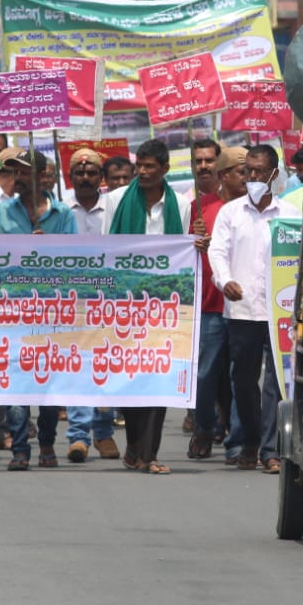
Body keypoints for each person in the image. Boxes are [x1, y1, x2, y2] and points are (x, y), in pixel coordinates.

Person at [0, 148, 77, 469]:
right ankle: (19, 448)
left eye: (22, 172)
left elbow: (76, 260)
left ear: (41, 176)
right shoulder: (1, 214)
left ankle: (46, 442)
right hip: (11, 311)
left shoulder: (63, 215)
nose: (16, 179)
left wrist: (49, 248)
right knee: (16, 383)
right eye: (13, 173)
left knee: (47, 386)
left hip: (50, 312)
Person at [208, 144, 301, 473]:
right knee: (243, 381)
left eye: (259, 171)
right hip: (242, 310)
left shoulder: (290, 216)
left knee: (277, 383)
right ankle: (248, 438)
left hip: (279, 314)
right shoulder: (230, 213)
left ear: (274, 175)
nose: (252, 177)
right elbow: (217, 251)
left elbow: (300, 259)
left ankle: (269, 449)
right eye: (248, 171)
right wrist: (225, 280)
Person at [107, 139, 192, 474]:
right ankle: (134, 446)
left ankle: (150, 453)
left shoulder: (181, 205)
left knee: (159, 377)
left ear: (165, 169)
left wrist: (194, 241)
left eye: (149, 166)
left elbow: (183, 256)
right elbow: (105, 250)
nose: (141, 172)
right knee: (130, 378)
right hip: (125, 305)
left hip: (165, 307)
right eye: (138, 165)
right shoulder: (116, 200)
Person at [61, 147, 119, 463]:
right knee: (76, 367)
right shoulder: (60, 210)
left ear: (101, 178)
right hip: (70, 302)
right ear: (70, 178)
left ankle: (104, 430)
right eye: (79, 173)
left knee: (104, 367)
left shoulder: (113, 208)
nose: (85, 178)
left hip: (107, 301)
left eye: (91, 173)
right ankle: (79, 435)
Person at [185, 142, 236, 460]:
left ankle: (240, 437)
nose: (203, 166)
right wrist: (197, 240)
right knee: (204, 374)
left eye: (209, 160)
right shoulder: (199, 207)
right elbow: (187, 250)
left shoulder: (251, 208)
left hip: (244, 304)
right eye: (198, 161)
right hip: (209, 302)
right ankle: (204, 427)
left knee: (240, 376)